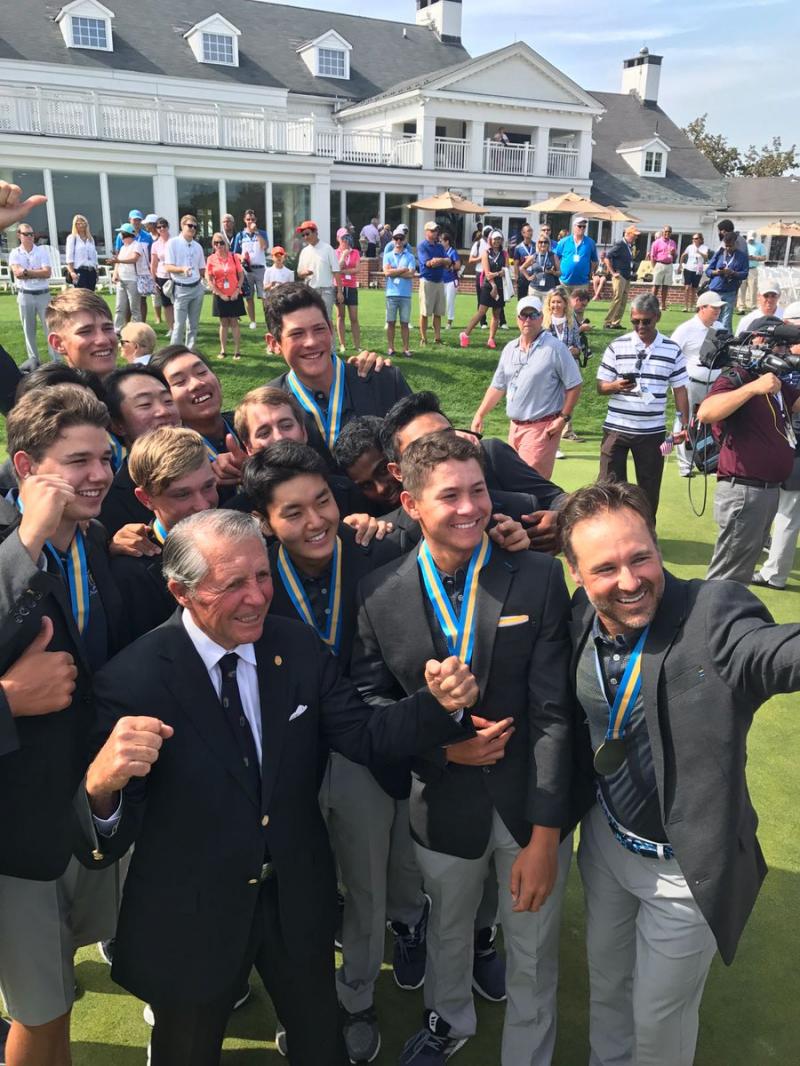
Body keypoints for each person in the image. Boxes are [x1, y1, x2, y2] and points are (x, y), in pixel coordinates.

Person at [83, 507, 477, 1066]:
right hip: (195, 910)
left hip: (296, 894)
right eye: (233, 584)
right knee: (187, 1050)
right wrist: (101, 785)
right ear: (181, 591)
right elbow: (110, 837)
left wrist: (437, 708)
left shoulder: (295, 646)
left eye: (262, 575)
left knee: (320, 1042)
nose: (257, 596)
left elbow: (364, 735)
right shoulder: (132, 679)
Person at [350, 431, 575, 1066]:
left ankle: (528, 1051)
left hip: (528, 802)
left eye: (477, 490)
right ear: (412, 503)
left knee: (531, 942)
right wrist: (440, 753)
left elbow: (556, 712)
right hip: (440, 799)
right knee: (448, 927)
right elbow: (369, 706)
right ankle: (449, 1021)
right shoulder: (377, 592)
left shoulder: (535, 575)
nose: (470, 507)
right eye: (450, 496)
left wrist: (547, 834)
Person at [559, 478, 800, 1066]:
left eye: (641, 556)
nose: (629, 580)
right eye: (606, 568)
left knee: (658, 1018)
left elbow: (771, 652)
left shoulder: (713, 612)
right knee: (609, 986)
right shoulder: (579, 617)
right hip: (605, 846)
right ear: (577, 576)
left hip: (681, 872)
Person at [243, 441, 427, 1062]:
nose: (314, 520)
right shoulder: (252, 574)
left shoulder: (381, 550)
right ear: (265, 521)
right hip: (280, 758)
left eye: (321, 500)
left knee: (366, 881)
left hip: (363, 752)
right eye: (291, 512)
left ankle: (356, 998)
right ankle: (307, 1000)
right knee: (296, 887)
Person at [0, 384, 124, 1066]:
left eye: (105, 457)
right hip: (14, 834)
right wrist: (25, 538)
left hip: (80, 815)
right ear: (26, 469)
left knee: (55, 1000)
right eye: (78, 461)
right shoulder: (9, 543)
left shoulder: (98, 543)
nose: (100, 475)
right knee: (40, 1007)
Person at [697, 332, 800, 583]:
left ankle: (730, 618)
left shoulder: (773, 382)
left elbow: (797, 403)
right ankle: (710, 620)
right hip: (744, 490)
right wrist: (753, 388)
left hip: (767, 490)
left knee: (741, 571)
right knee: (727, 575)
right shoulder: (738, 376)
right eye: (777, 346)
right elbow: (706, 412)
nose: (781, 352)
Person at [264, 284, 412, 459]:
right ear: (274, 343)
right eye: (297, 334)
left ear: (331, 330)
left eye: (319, 329)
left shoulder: (384, 381)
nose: (311, 342)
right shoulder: (268, 406)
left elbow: (431, 442)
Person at [111, 426, 218, 641]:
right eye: (182, 494)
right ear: (145, 499)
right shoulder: (130, 575)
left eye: (208, 487)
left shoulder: (241, 531)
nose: (203, 504)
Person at [595, 292, 689, 518]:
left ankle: (646, 533)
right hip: (616, 428)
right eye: (635, 321)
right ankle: (614, 533)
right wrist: (616, 385)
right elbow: (601, 387)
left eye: (646, 321)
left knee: (648, 489)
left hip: (652, 432)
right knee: (609, 487)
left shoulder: (672, 348)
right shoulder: (617, 345)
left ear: (657, 316)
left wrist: (683, 423)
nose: (640, 326)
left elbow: (680, 389)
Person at [471, 296, 583, 479]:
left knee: (531, 485)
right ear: (517, 319)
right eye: (524, 316)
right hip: (514, 427)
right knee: (513, 483)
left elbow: (575, 384)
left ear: (541, 318)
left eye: (533, 315)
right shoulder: (510, 348)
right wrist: (480, 414)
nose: (528, 320)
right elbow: (498, 386)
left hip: (541, 427)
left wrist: (563, 418)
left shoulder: (555, 348)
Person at [98, 364, 182, 535]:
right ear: (117, 425)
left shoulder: (216, 471)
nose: (163, 411)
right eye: (145, 404)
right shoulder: (112, 505)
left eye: (168, 401)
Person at [148, 345, 242, 491]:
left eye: (201, 372)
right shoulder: (171, 461)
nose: (197, 384)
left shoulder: (250, 425)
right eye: (179, 381)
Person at [753, 300, 800, 589]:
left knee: (787, 512)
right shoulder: (780, 362)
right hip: (779, 445)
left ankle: (775, 574)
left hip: (794, 447)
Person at [670, 291, 726, 476]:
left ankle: (709, 462)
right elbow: (672, 354)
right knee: (686, 421)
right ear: (702, 308)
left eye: (719, 308)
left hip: (714, 384)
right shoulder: (686, 329)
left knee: (710, 421)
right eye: (714, 308)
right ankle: (685, 464)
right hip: (690, 384)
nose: (717, 311)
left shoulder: (720, 327)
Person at [9, 221, 55, 370]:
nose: (30, 237)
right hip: (25, 295)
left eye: (32, 234)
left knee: (50, 328)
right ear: (19, 235)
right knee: (29, 330)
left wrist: (27, 272)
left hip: (43, 294)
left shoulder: (41, 251)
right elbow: (17, 273)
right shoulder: (15, 253)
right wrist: (36, 272)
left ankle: (56, 362)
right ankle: (34, 363)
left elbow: (47, 273)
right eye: (26, 234)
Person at [46, 289, 119, 381]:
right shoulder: (55, 395)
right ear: (58, 343)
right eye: (85, 331)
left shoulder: (137, 387)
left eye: (107, 328)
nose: (103, 340)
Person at [459, 230, 507, 350]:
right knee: (481, 312)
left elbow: (505, 270)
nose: (497, 241)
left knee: (497, 314)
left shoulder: (504, 254)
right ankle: (465, 334)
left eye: (499, 239)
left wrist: (498, 275)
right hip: (488, 286)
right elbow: (487, 273)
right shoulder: (486, 253)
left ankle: (491, 338)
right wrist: (495, 282)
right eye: (495, 239)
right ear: (490, 240)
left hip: (500, 286)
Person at [165, 214, 206, 348]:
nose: (192, 229)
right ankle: (173, 355)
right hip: (181, 288)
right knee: (179, 325)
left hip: (197, 288)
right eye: (189, 226)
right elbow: (168, 267)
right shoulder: (173, 243)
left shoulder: (197, 246)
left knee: (193, 325)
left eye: (195, 226)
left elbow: (201, 270)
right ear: (182, 226)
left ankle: (190, 352)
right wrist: (182, 269)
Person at [206, 231, 245, 360]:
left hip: (234, 294)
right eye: (216, 243)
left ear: (225, 244)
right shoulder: (211, 259)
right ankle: (223, 350)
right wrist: (219, 293)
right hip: (219, 295)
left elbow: (241, 275)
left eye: (221, 242)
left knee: (234, 322)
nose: (219, 245)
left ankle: (237, 350)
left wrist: (236, 290)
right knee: (223, 323)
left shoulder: (233, 257)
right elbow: (209, 278)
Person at [231, 209, 269, 330]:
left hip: (260, 269)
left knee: (265, 296)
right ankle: (252, 321)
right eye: (248, 219)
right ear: (244, 220)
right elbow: (235, 253)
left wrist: (256, 232)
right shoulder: (240, 235)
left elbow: (264, 246)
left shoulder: (262, 233)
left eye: (252, 219)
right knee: (248, 296)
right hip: (246, 269)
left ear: (255, 220)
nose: (250, 221)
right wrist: (241, 257)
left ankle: (268, 320)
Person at [705, 230, 748, 332]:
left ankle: (725, 342)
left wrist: (733, 273)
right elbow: (708, 271)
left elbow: (745, 274)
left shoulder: (742, 256)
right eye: (726, 246)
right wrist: (717, 273)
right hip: (715, 290)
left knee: (726, 320)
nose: (728, 248)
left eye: (731, 246)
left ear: (736, 243)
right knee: (713, 318)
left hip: (730, 291)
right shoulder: (719, 253)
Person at [296, 220, 340, 319]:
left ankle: (330, 335)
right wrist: (305, 273)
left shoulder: (327, 249)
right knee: (312, 319)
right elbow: (299, 273)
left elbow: (336, 271)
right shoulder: (304, 251)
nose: (305, 237)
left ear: (316, 232)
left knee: (326, 319)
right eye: (303, 235)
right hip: (310, 290)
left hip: (326, 290)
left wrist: (340, 292)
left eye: (307, 234)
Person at [383, 227, 416, 359]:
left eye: (400, 238)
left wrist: (395, 271)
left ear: (404, 240)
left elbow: (411, 274)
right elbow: (386, 273)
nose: (398, 241)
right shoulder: (388, 255)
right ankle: (391, 348)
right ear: (393, 240)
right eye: (396, 238)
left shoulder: (410, 256)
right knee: (390, 322)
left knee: (404, 323)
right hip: (391, 294)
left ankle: (405, 348)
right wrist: (402, 269)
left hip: (405, 295)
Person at [417, 221, 449, 346]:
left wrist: (439, 260)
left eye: (436, 230)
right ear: (426, 232)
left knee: (438, 312)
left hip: (439, 281)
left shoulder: (440, 247)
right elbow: (428, 263)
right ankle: (424, 338)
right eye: (432, 230)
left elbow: (448, 261)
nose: (435, 233)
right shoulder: (422, 246)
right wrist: (440, 261)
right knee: (425, 312)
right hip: (427, 281)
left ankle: (437, 338)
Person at [112, 223, 149, 332]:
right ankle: (117, 330)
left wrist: (119, 261)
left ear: (126, 235)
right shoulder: (123, 247)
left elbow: (134, 259)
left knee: (135, 308)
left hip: (133, 280)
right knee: (119, 307)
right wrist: (115, 273)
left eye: (121, 234)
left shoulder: (136, 245)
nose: (120, 236)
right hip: (122, 280)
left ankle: (137, 331)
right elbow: (118, 262)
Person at [603, 225, 639, 328]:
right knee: (617, 298)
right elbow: (607, 258)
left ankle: (616, 322)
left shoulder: (628, 246)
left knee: (623, 300)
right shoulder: (620, 244)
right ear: (627, 234)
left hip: (627, 276)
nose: (636, 237)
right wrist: (612, 272)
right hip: (620, 276)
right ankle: (608, 322)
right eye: (634, 235)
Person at [554, 216, 598, 292]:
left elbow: (594, 260)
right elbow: (555, 256)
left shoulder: (590, 242)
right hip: (564, 282)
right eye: (579, 226)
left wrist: (590, 272)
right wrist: (558, 271)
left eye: (584, 226)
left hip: (582, 283)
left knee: (580, 304)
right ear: (574, 227)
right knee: (564, 303)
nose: (582, 228)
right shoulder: (564, 241)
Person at [335, 229, 361, 353]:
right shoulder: (335, 252)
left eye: (347, 238)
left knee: (354, 317)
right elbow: (336, 268)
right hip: (339, 286)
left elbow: (357, 269)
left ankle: (357, 345)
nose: (345, 240)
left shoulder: (355, 252)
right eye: (342, 238)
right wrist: (344, 255)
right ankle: (342, 344)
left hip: (351, 286)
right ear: (338, 239)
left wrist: (344, 271)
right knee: (340, 316)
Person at [149, 218, 174, 335]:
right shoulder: (155, 245)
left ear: (168, 227)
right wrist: (153, 280)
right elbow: (153, 263)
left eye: (164, 226)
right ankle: (171, 328)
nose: (162, 229)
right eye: (159, 227)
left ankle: (180, 327)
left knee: (178, 303)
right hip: (161, 276)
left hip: (174, 275)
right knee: (167, 304)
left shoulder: (174, 241)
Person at [65, 214, 98, 291]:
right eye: (78, 224)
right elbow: (69, 256)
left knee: (91, 295)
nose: (81, 226)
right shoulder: (72, 238)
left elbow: (94, 256)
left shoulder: (90, 239)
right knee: (81, 294)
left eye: (83, 223)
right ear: (75, 225)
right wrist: (72, 272)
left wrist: (97, 271)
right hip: (80, 271)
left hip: (91, 270)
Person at [649, 225, 677, 311]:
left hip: (669, 265)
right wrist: (654, 267)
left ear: (671, 233)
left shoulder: (673, 242)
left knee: (665, 286)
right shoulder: (657, 242)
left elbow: (675, 256)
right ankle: (652, 304)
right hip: (659, 264)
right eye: (666, 232)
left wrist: (673, 253)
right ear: (663, 232)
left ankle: (663, 305)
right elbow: (652, 256)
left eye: (669, 232)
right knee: (656, 286)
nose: (667, 233)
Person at [521, 233, 559, 298]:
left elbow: (560, 273)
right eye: (541, 242)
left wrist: (554, 272)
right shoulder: (534, 256)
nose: (543, 244)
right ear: (538, 244)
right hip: (534, 289)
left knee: (546, 308)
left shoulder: (553, 256)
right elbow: (522, 268)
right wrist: (528, 277)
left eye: (545, 242)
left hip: (549, 290)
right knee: (534, 308)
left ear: (548, 244)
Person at [738, 230, 767, 312]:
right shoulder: (743, 245)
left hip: (753, 269)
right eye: (749, 239)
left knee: (753, 289)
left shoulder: (760, 246)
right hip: (743, 268)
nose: (751, 240)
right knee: (742, 288)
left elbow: (764, 257)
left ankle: (753, 307)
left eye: (752, 239)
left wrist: (754, 258)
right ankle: (741, 307)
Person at [679, 233, 708, 312]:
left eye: (696, 238)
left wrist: (699, 252)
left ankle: (691, 305)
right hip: (688, 268)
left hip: (698, 269)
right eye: (693, 238)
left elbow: (706, 257)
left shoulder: (704, 247)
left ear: (700, 239)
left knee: (694, 288)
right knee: (687, 287)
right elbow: (683, 255)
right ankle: (685, 306)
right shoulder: (690, 247)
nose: (694, 240)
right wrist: (680, 265)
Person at [441, 231, 460, 329]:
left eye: (442, 241)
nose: (440, 243)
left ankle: (449, 322)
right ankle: (438, 322)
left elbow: (457, 265)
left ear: (447, 242)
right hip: (442, 280)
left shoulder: (452, 252)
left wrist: (449, 265)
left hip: (451, 280)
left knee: (449, 301)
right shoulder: (441, 252)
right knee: (440, 301)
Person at [512, 223, 535, 299]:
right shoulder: (518, 248)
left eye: (531, 230)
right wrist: (516, 277)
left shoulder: (536, 246)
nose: (530, 232)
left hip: (534, 276)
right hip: (522, 277)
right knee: (522, 299)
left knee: (533, 299)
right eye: (528, 231)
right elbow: (516, 264)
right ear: (523, 233)